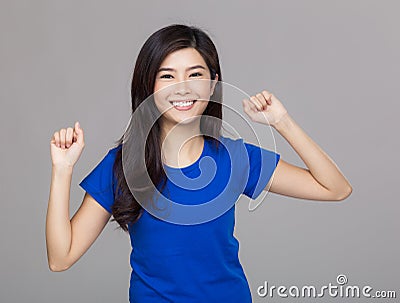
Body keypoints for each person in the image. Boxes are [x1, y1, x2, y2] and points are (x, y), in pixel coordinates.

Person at [46, 24, 352, 303]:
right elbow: (61, 258)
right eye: (167, 76)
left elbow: (335, 188)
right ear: (149, 87)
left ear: (213, 84)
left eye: (195, 75)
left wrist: (282, 122)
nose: (182, 88)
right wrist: (62, 170)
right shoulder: (122, 165)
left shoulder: (236, 157)